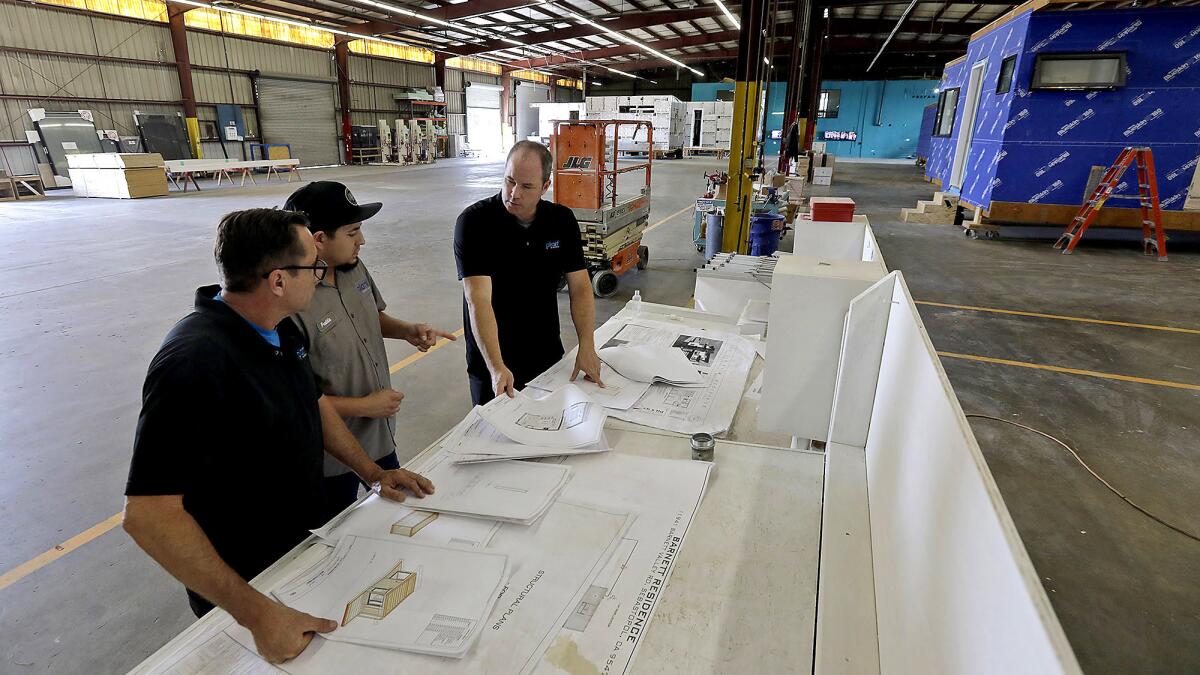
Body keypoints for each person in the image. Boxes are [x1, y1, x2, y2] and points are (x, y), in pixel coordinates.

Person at [123, 208, 434, 665]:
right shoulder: (194, 363)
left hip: (299, 554)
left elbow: (313, 403)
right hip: (243, 588)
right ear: (277, 280)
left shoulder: (278, 328)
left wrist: (372, 472)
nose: (321, 273)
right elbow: (148, 516)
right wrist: (257, 615)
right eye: (312, 265)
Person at [285, 181, 455, 519]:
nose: (361, 240)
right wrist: (364, 405)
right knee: (338, 528)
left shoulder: (353, 268)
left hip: (378, 434)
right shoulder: (291, 301)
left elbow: (370, 316)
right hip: (331, 454)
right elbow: (295, 401)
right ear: (318, 239)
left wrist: (406, 330)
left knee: (399, 511)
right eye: (352, 232)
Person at [453, 140, 603, 406]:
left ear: (545, 187)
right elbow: (478, 300)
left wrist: (587, 346)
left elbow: (580, 286)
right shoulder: (475, 224)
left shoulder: (561, 221)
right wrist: (497, 367)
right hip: (492, 359)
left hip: (545, 354)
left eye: (526, 186)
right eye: (509, 181)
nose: (514, 193)